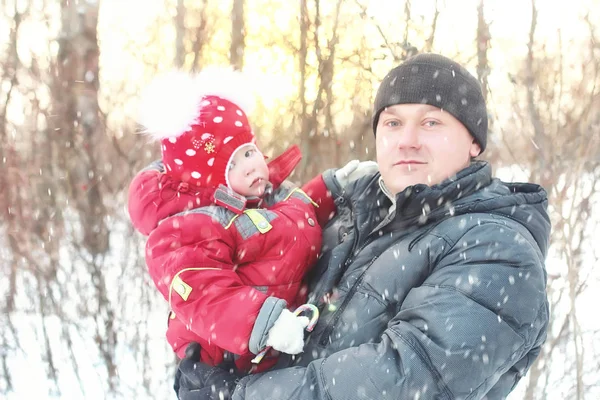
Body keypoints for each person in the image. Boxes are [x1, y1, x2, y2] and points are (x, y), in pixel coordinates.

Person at [174, 53, 551, 400]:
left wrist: (238, 394)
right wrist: (214, 343)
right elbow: (261, 275)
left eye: (431, 122)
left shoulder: (500, 250)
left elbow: (401, 380)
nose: (407, 140)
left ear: (474, 142)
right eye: (393, 122)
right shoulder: (355, 210)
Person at [127, 69, 374, 374]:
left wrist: (331, 188)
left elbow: (291, 218)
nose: (251, 166)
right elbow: (203, 292)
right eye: (233, 163)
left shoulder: (260, 197)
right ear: (208, 181)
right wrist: (262, 322)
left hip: (275, 355)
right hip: (229, 367)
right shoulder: (189, 228)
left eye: (249, 151)